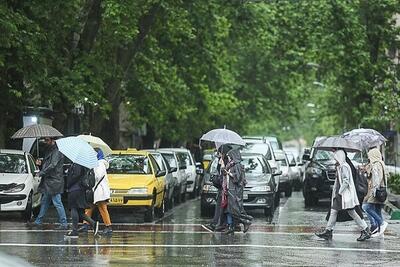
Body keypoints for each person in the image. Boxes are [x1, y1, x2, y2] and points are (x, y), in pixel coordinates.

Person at [316, 149, 370, 241]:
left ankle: (365, 229)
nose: (335, 160)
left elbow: (346, 181)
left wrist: (340, 192)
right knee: (334, 211)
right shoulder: (341, 166)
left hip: (344, 194)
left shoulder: (344, 166)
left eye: (336, 158)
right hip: (341, 194)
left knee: (351, 212)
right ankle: (328, 231)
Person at [31, 137, 68, 229]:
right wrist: (41, 163)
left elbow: (52, 165)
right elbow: (49, 164)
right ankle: (39, 220)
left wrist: (41, 172)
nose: (45, 142)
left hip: (54, 181)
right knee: (45, 201)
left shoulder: (56, 151)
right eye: (45, 140)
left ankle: (64, 223)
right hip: (50, 181)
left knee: (57, 202)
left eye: (47, 140)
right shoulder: (50, 150)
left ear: (53, 141)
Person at [79, 149, 112, 236]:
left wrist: (90, 170)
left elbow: (98, 175)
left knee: (102, 208)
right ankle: (85, 224)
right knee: (89, 207)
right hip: (95, 190)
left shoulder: (100, 163)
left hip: (100, 190)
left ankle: (108, 227)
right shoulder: (96, 163)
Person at [220, 145, 252, 235]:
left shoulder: (237, 165)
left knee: (234, 209)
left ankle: (246, 221)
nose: (228, 158)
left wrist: (228, 173)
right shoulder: (231, 164)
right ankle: (232, 227)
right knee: (230, 209)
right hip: (230, 189)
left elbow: (237, 178)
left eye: (230, 156)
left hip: (235, 190)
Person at [66, 162, 99, 238]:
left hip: (75, 189)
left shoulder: (78, 163)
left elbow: (76, 176)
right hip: (80, 189)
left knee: (73, 208)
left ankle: (74, 231)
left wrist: (68, 183)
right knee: (80, 211)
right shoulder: (84, 163)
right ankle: (93, 224)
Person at [362, 148, 388, 237]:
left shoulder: (377, 165)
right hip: (382, 191)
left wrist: (373, 191)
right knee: (377, 210)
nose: (369, 157)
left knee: (366, 207)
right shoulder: (381, 163)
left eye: (370, 155)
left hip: (377, 191)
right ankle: (380, 231)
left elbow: (377, 179)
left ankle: (381, 223)